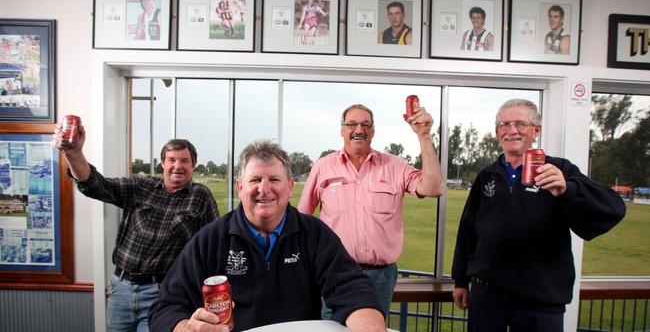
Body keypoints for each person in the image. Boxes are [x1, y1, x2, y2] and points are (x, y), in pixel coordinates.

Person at [148, 140, 386, 332]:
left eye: (274, 179)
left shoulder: (315, 234)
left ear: (290, 186)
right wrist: (184, 328)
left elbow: (353, 291)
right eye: (255, 180)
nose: (264, 189)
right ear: (240, 187)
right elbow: (165, 308)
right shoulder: (211, 239)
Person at [451, 99, 626, 332]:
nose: (512, 130)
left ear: (536, 130)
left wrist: (568, 189)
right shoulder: (486, 176)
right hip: (488, 295)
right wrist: (461, 280)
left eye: (520, 124)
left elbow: (612, 208)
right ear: (497, 132)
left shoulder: (558, 170)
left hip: (540, 297)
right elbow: (468, 231)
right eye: (505, 124)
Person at [53, 124, 219, 332]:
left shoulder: (200, 196)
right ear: (163, 163)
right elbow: (96, 185)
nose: (178, 166)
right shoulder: (142, 186)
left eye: (184, 160)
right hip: (121, 290)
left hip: (163, 293)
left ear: (193, 165)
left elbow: (213, 247)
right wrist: (74, 153)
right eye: (172, 160)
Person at [298, 104, 444, 317]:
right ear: (342, 130)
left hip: (380, 276)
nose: (359, 129)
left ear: (373, 132)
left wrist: (424, 136)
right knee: (330, 329)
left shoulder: (395, 166)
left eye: (366, 124)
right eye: (352, 124)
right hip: (333, 272)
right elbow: (302, 220)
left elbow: (433, 187)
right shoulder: (322, 167)